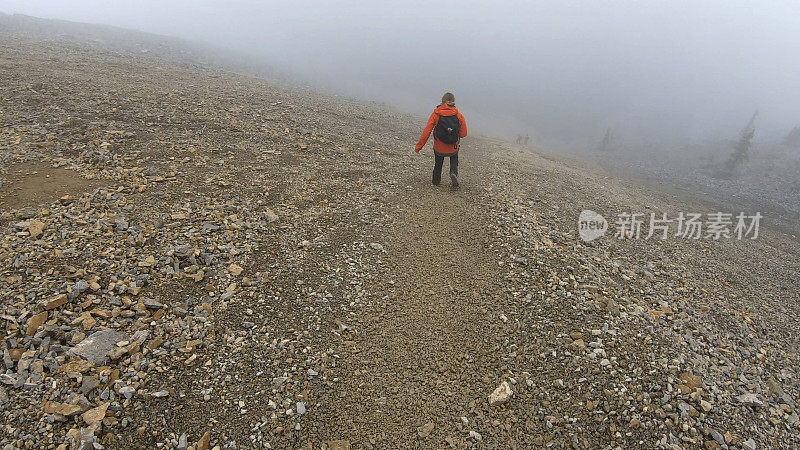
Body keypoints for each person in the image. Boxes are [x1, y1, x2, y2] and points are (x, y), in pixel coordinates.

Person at [413, 92, 468, 186]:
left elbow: (427, 131)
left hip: (439, 147)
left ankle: (436, 181)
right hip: (453, 146)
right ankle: (453, 172)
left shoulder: (436, 114)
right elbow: (463, 134)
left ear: (442, 101)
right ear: (454, 102)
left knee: (438, 163)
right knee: (454, 158)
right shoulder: (459, 115)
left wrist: (419, 147)